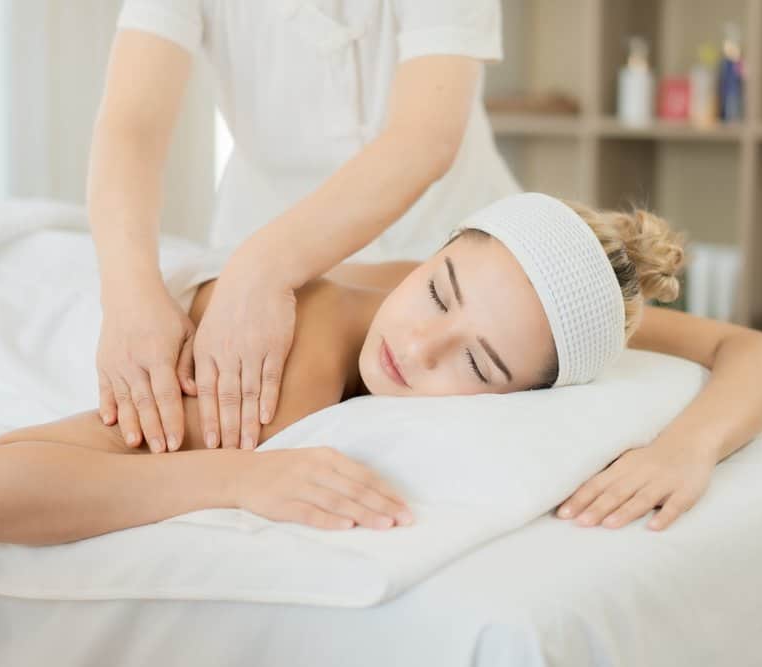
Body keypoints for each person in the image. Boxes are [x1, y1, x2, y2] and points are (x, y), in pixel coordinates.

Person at [0, 194, 762, 546]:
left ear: (522, 395)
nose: (417, 346)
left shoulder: (466, 295)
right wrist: (239, 475)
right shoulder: (279, 383)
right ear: (433, 253)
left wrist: (687, 449)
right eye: (439, 292)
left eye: (477, 360)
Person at [88, 1, 521, 460]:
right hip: (259, 244)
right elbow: (131, 127)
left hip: (442, 265)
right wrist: (128, 296)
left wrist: (260, 272)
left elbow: (425, 139)